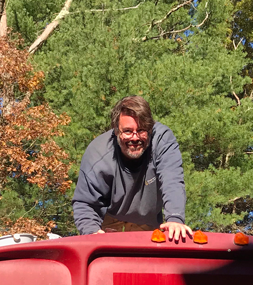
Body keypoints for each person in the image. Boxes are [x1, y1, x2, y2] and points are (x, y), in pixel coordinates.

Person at [72, 95, 193, 241]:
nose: (135, 138)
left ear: (150, 128)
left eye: (141, 130)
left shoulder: (162, 141)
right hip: (110, 218)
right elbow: (85, 202)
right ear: (116, 130)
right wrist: (91, 231)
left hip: (148, 221)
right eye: (128, 131)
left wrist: (175, 218)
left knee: (150, 261)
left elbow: (172, 180)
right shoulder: (98, 153)